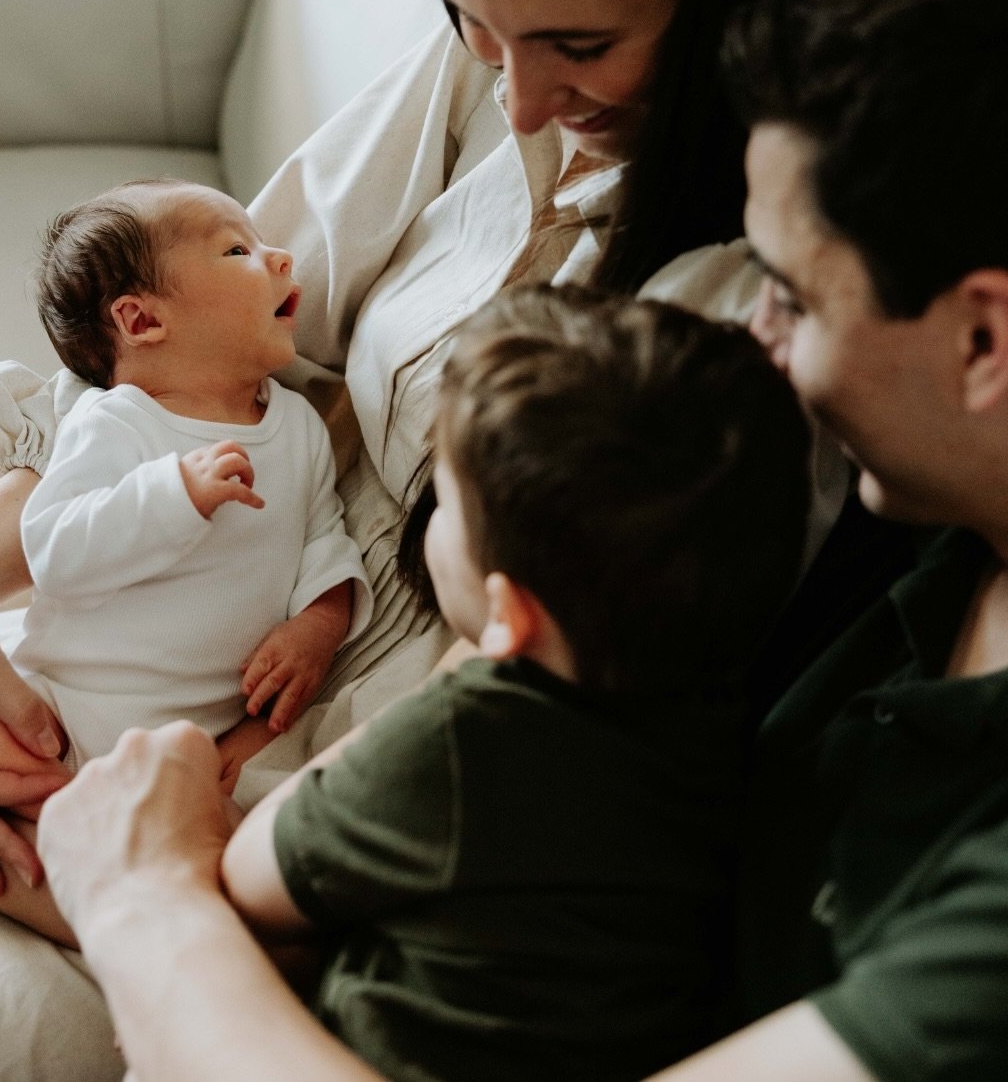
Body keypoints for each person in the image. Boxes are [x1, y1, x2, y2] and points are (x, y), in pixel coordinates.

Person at [0, 0, 840, 1075]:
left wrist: (78, 847)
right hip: (187, 604)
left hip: (340, 772)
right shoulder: (486, 66)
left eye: (582, 45)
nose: (521, 98)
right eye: (473, 19)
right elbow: (196, 357)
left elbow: (526, 736)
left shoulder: (764, 306)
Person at [23, 0, 1008, 1082]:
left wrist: (134, 892)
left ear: (983, 340)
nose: (763, 344)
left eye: (790, 298)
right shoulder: (934, 538)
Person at [218, 285, 811, 1081]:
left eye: (447, 503)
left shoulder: (466, 743)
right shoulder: (726, 716)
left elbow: (249, 875)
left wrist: (470, 662)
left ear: (510, 614)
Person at [0, 177, 372, 939]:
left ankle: (182, 929)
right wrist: (172, 495)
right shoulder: (119, 423)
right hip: (66, 708)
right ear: (141, 320)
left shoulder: (299, 426)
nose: (279, 257)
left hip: (194, 734)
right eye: (237, 250)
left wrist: (318, 624)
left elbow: (323, 538)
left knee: (228, 862)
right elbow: (57, 547)